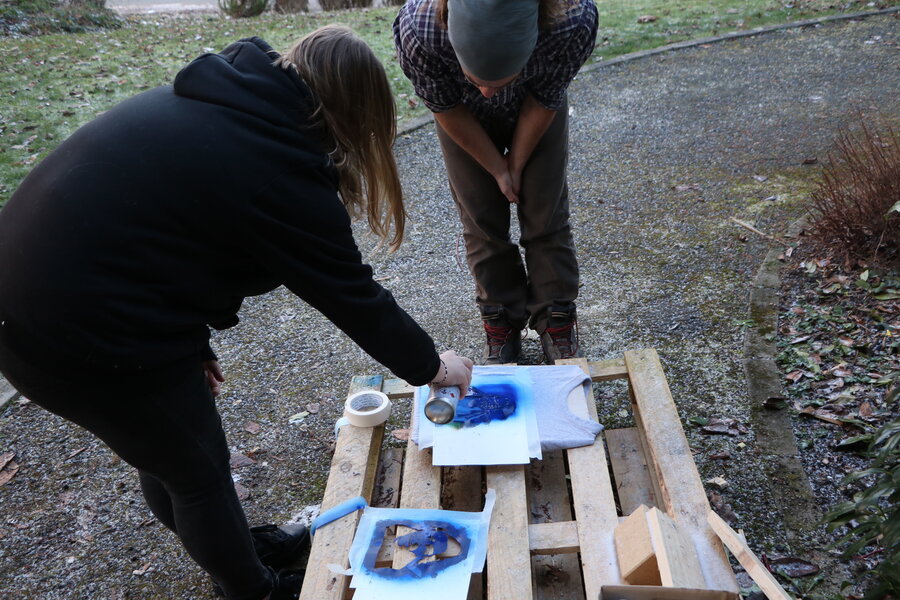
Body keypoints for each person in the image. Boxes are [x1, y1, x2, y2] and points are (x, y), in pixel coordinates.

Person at [0, 25, 473, 600]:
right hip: (78, 329)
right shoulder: (275, 168)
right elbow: (353, 296)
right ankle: (255, 590)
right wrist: (432, 367)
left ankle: (240, 553)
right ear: (354, 115)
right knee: (195, 473)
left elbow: (148, 232)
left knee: (166, 448)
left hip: (36, 304)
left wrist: (189, 343)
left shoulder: (228, 106)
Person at [393, 0, 598, 364]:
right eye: (477, 80)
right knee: (480, 217)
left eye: (502, 81)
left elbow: (546, 96)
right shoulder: (419, 29)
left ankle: (556, 317)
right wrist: (497, 169)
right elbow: (444, 106)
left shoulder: (572, 20)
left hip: (535, 107)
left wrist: (516, 163)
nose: (489, 93)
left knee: (545, 210)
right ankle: (500, 316)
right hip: (461, 114)